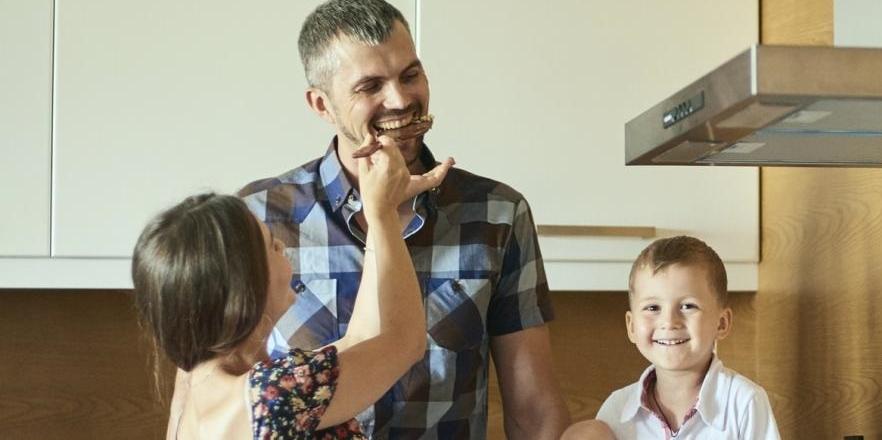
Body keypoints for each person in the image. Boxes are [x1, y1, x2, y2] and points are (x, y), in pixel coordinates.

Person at [237, 0, 570, 438]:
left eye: (410, 75)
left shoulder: (497, 214)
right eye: (370, 86)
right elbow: (209, 394)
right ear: (322, 104)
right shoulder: (258, 217)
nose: (400, 100)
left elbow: (534, 411)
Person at [133, 141, 452, 438]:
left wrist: (378, 215)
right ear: (245, 286)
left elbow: (361, 339)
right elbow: (404, 342)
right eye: (272, 246)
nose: (283, 246)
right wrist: (382, 214)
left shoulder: (198, 387)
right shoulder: (276, 395)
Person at [565, 236, 779, 439]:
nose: (669, 321)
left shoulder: (744, 402)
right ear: (631, 326)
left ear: (722, 323)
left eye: (688, 306)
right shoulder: (616, 410)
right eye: (652, 307)